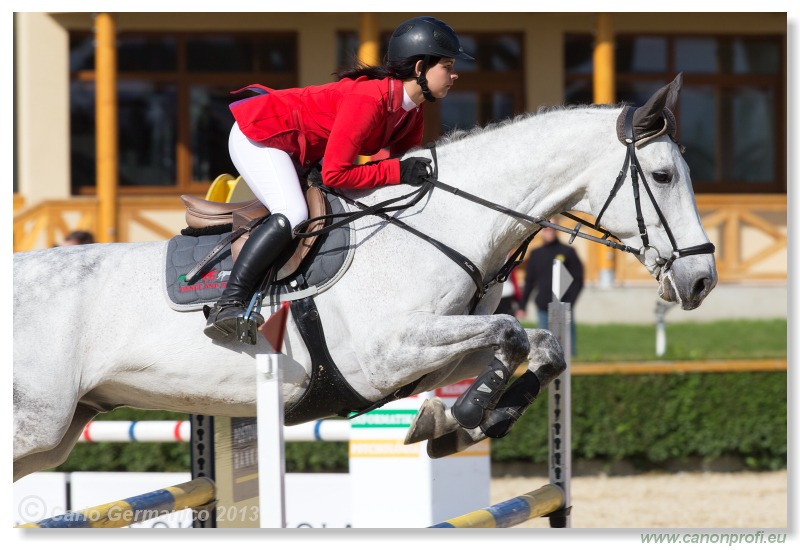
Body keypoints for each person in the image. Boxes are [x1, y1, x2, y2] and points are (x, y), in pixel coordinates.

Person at [204, 16, 473, 341]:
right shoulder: (370, 98)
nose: (454, 74)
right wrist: (400, 172)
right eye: (447, 65)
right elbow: (338, 173)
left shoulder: (412, 110)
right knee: (293, 213)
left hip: (298, 151)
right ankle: (228, 302)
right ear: (420, 68)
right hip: (261, 135)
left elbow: (401, 171)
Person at [520, 222, 584, 354]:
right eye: (546, 229)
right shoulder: (536, 254)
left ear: (557, 230)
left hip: (563, 304)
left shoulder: (568, 252)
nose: (549, 232)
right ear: (542, 231)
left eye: (552, 229)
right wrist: (522, 305)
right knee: (545, 345)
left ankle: (572, 370)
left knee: (566, 345)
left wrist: (569, 301)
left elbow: (578, 279)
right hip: (543, 304)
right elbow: (529, 281)